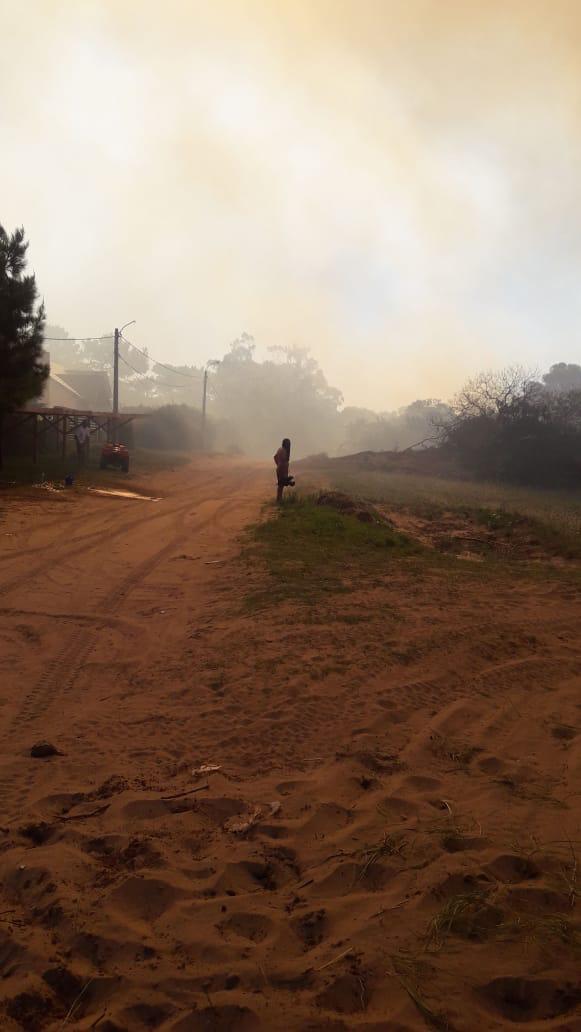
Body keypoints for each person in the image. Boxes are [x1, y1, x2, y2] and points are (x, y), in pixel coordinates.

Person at [274, 437, 291, 502]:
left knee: (280, 485)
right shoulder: (284, 451)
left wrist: (278, 464)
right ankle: (279, 500)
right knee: (281, 486)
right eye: (288, 444)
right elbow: (284, 461)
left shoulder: (280, 449)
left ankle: (279, 499)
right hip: (282, 470)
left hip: (279, 469)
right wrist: (281, 466)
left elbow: (275, 457)